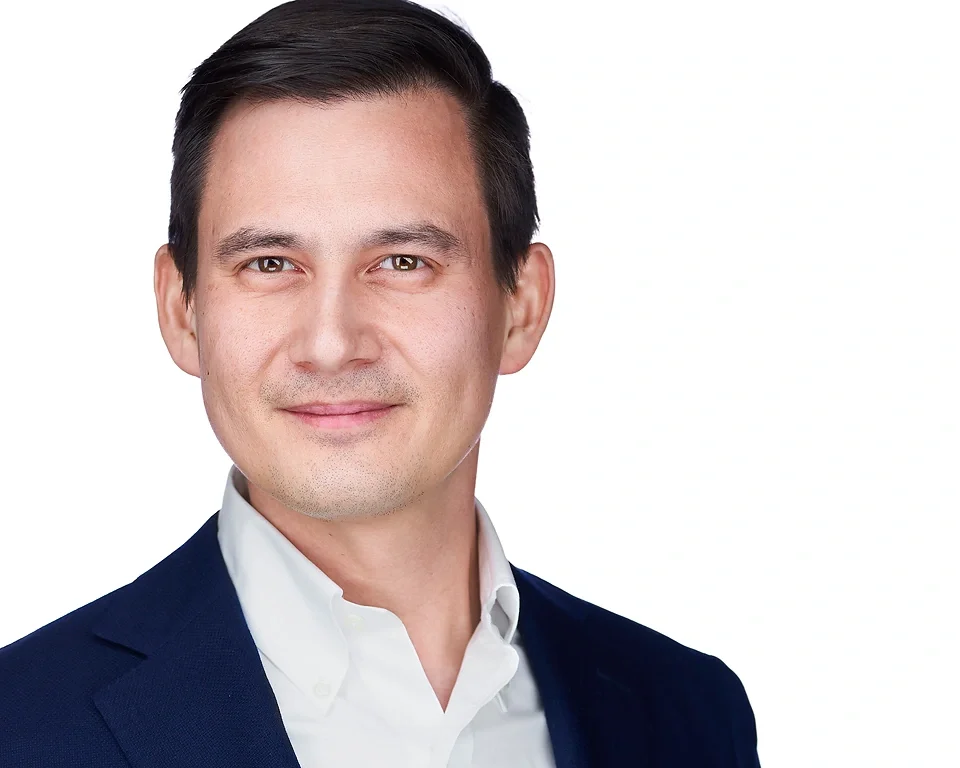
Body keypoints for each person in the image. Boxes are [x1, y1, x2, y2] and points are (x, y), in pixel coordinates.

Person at [0, 1, 760, 765]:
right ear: (181, 310)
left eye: (403, 262)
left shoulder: (685, 711)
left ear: (520, 307)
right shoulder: (21, 726)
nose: (331, 345)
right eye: (270, 264)